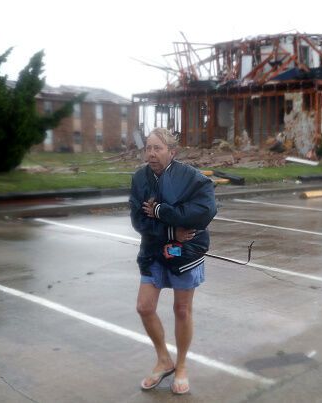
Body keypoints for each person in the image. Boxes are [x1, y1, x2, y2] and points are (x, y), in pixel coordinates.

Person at [129, 128, 217, 395]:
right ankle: (163, 359)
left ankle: (181, 366)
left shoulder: (192, 179)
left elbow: (204, 212)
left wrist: (161, 212)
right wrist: (171, 230)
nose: (151, 153)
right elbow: (138, 219)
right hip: (153, 250)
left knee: (182, 310)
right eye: (148, 148)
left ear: (172, 152)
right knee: (144, 307)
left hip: (185, 252)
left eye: (158, 148)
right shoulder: (140, 178)